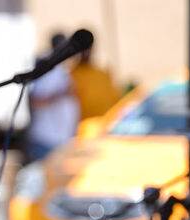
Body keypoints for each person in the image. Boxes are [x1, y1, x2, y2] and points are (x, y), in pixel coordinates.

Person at [26, 33, 80, 162]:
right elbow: (35, 101)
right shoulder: (47, 68)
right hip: (47, 141)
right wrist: (62, 94)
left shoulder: (62, 68)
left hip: (61, 141)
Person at [70, 44, 121, 121]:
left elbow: (115, 99)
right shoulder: (71, 76)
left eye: (88, 48)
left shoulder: (102, 74)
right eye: (83, 49)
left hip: (107, 122)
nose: (86, 52)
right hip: (85, 125)